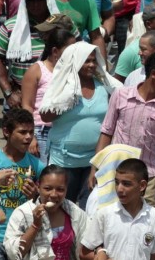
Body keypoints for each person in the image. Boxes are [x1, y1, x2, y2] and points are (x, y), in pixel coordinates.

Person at [94, 53, 155, 213]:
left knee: (145, 229)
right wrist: (96, 169)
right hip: (116, 174)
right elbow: (106, 132)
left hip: (148, 179)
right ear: (154, 74)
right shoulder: (120, 96)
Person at [38, 41, 117, 207]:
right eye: (86, 61)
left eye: (94, 61)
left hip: (93, 162)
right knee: (60, 206)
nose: (91, 65)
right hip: (64, 162)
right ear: (75, 62)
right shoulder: (61, 86)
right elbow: (45, 116)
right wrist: (64, 101)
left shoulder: (104, 86)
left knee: (87, 208)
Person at [0, 109, 44, 260]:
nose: (28, 137)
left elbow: (46, 203)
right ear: (6, 132)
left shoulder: (37, 166)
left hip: (22, 237)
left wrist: (35, 196)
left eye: (31, 132)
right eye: (22, 132)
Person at [80, 158, 155, 260]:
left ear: (142, 186)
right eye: (117, 182)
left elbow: (154, 255)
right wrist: (100, 254)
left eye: (126, 184)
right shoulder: (104, 214)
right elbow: (83, 253)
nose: (119, 189)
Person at [1, 165, 88, 260]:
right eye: (48, 188)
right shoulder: (23, 213)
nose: (54, 195)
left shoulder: (74, 213)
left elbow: (88, 244)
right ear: (38, 187)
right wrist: (35, 226)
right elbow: (13, 254)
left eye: (60, 189)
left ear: (66, 190)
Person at [19, 23, 75, 162]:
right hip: (41, 132)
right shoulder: (37, 70)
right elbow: (27, 105)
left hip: (64, 130)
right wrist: (30, 136)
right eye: (70, 50)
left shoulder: (72, 72)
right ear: (55, 51)